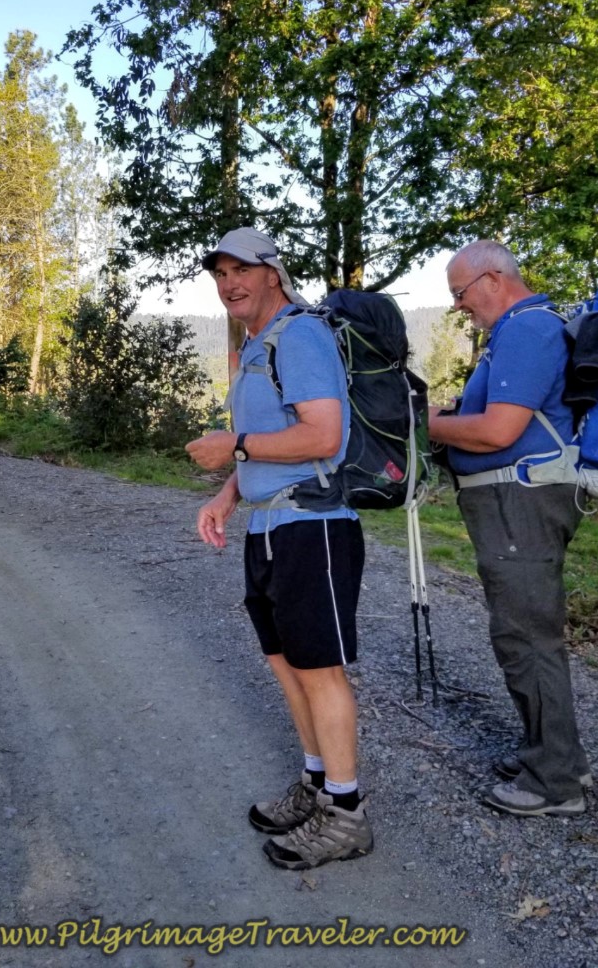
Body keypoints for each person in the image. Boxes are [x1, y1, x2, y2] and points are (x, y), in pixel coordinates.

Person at [185, 227, 372, 870]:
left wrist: (233, 446)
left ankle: (345, 816)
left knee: (319, 669)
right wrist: (228, 494)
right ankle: (318, 784)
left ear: (273, 273)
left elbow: (323, 436)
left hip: (314, 525)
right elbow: (268, 437)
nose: (229, 282)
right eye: (220, 272)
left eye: (242, 269)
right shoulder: (257, 345)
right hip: (269, 526)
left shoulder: (302, 336)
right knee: (286, 664)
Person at [427, 239, 592, 817]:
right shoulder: (518, 331)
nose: (458, 307)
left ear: (494, 278)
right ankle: (552, 753)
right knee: (522, 630)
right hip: (514, 500)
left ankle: (556, 782)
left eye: (460, 293)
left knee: (525, 635)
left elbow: (498, 432)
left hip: (520, 500)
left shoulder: (527, 329)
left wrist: (426, 425)